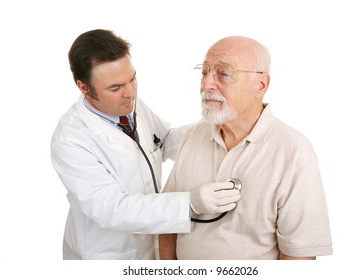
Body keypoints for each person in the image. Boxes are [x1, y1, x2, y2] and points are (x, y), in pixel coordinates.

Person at [50, 29, 241, 260]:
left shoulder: (129, 103)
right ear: (84, 88)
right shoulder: (70, 140)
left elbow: (164, 141)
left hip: (150, 246)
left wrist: (211, 124)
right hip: (106, 256)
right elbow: (113, 209)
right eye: (115, 87)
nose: (130, 93)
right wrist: (190, 204)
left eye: (132, 78)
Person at [159, 36, 333, 260]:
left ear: (261, 85)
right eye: (204, 73)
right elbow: (167, 219)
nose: (206, 85)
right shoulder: (193, 135)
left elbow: (298, 258)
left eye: (223, 73)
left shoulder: (293, 151)